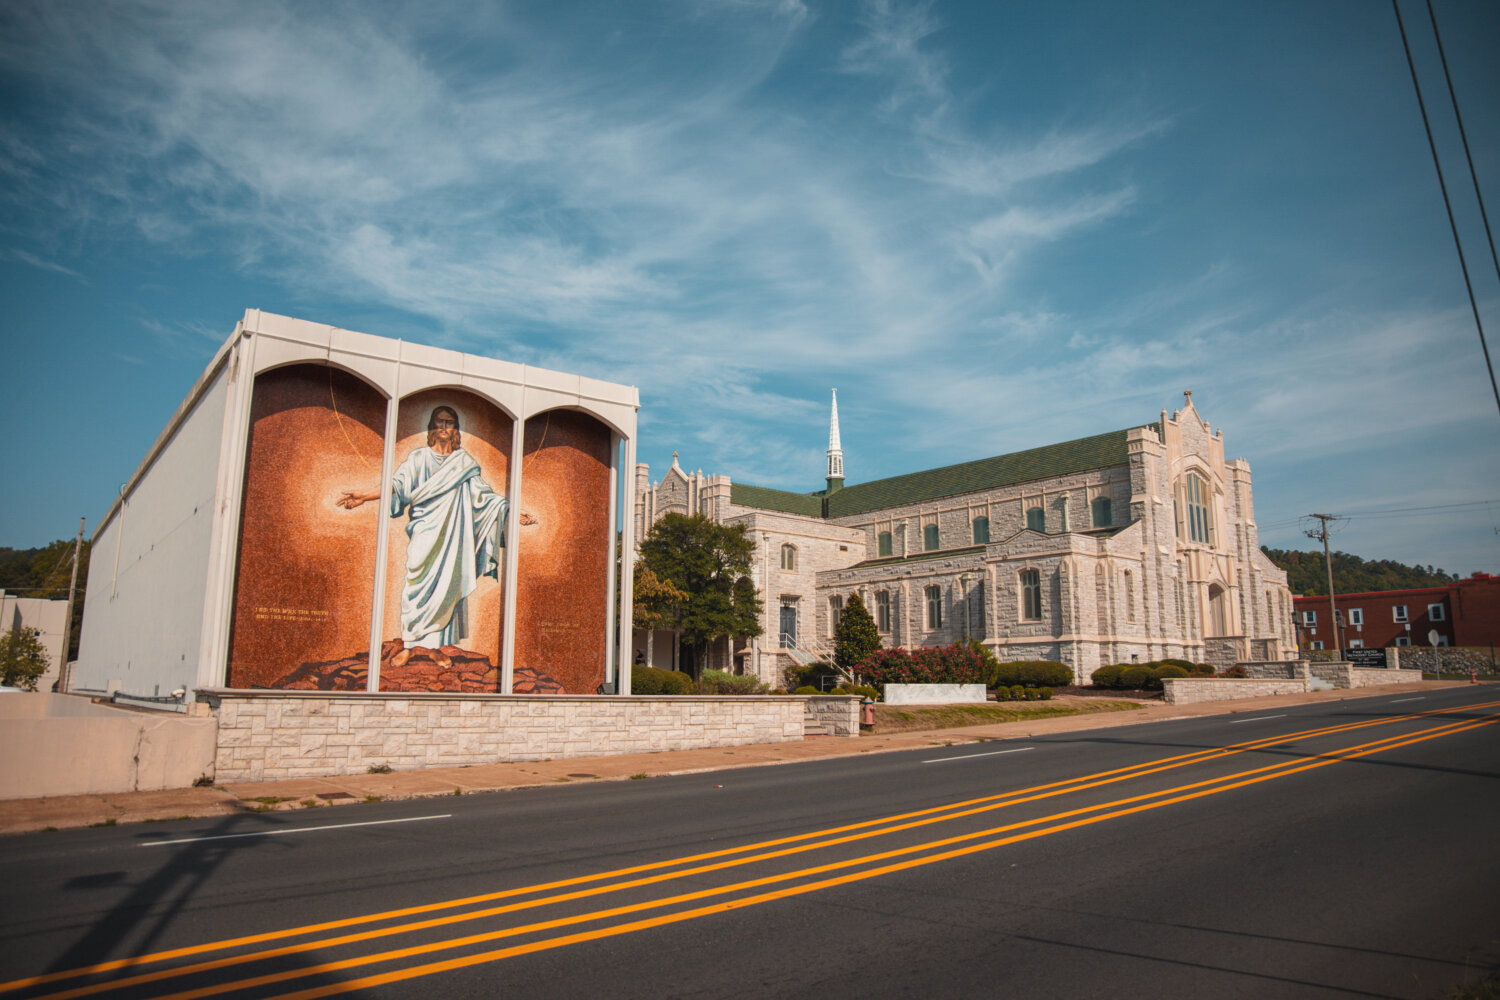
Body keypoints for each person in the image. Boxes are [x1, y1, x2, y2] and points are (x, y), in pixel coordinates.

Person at [339, 406, 532, 668]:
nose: (443, 427)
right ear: (432, 426)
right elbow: (396, 485)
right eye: (439, 422)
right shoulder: (418, 458)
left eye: (449, 422)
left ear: (455, 429)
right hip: (424, 532)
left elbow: (484, 496)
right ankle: (409, 644)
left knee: (447, 588)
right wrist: (364, 496)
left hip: (452, 538)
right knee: (416, 583)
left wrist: (512, 511)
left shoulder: (463, 463)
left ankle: (436, 648)